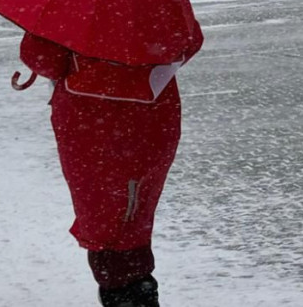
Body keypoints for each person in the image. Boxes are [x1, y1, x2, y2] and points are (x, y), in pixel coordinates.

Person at [19, 32, 202, 307]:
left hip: (94, 122)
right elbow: (189, 40)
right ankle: (135, 287)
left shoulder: (74, 1)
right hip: (153, 117)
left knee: (108, 222)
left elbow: (42, 56)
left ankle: (126, 291)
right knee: (133, 213)